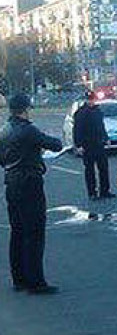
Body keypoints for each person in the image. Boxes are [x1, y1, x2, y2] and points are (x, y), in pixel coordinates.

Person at [0, 93, 62, 294]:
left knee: (17, 231)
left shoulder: (5, 130)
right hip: (29, 183)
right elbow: (55, 144)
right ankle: (36, 282)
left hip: (11, 183)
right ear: (25, 109)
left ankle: (19, 279)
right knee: (34, 232)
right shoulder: (28, 130)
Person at [73, 92, 114, 201]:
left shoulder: (97, 111)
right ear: (86, 100)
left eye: (93, 99)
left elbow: (101, 126)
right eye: (90, 99)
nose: (92, 101)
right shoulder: (81, 113)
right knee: (90, 170)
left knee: (103, 168)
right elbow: (77, 130)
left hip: (99, 144)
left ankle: (105, 191)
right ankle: (92, 193)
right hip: (87, 145)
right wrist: (79, 145)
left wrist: (106, 138)